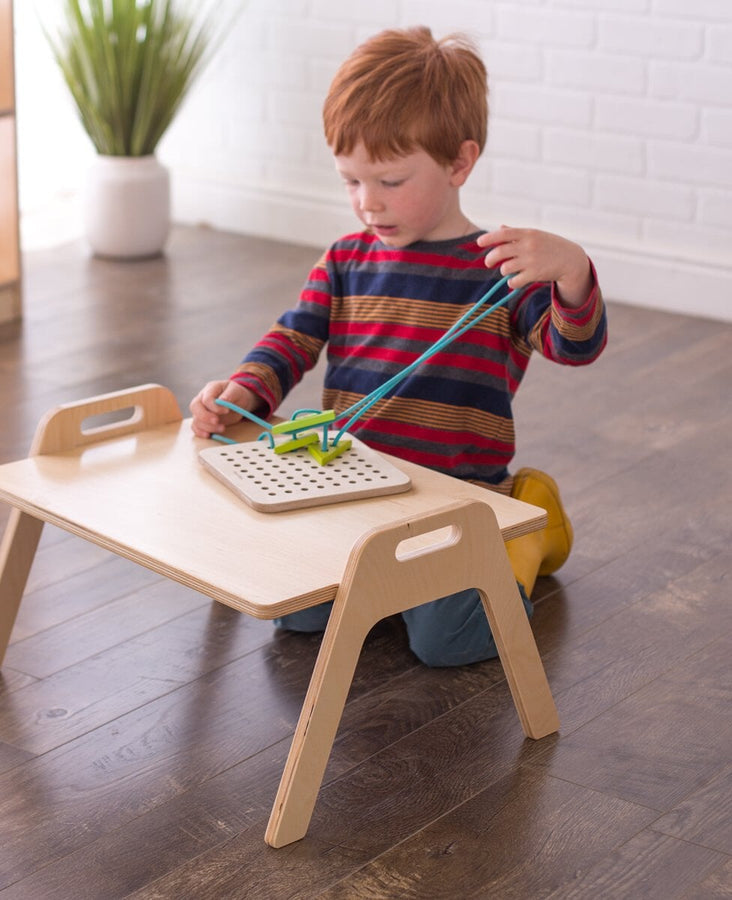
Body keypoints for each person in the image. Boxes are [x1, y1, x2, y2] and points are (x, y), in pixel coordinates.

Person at [189, 26, 607, 667]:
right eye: (351, 181)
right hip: (350, 487)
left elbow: (572, 345)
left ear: (459, 164)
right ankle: (397, 587)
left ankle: (524, 531)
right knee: (298, 616)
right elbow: (294, 337)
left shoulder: (500, 266)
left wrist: (573, 272)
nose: (366, 203)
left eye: (389, 180)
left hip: (456, 501)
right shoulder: (345, 259)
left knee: (445, 644)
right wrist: (244, 389)